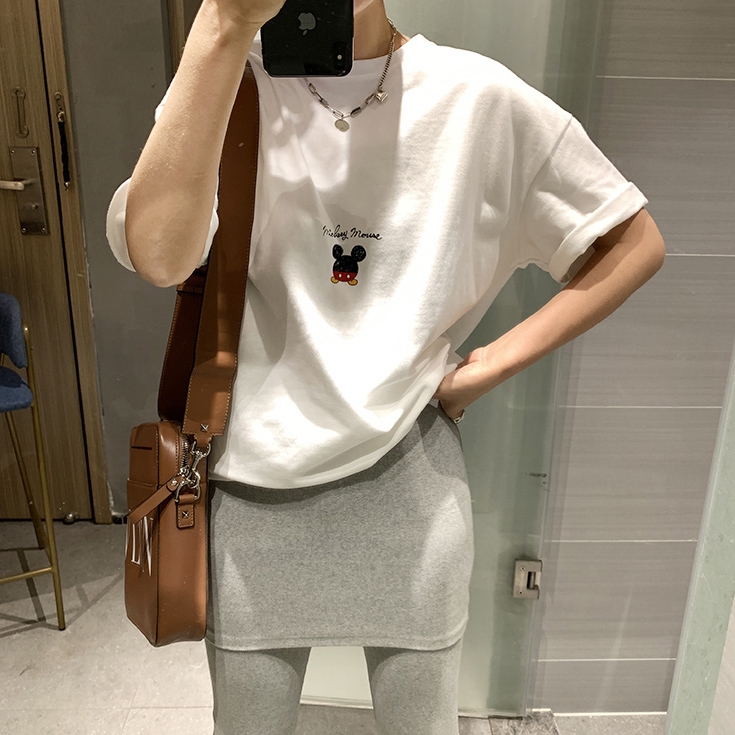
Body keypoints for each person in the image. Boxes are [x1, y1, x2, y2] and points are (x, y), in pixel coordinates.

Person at [106, 0, 666, 733]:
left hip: (411, 494)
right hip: (252, 499)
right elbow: (158, 256)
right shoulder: (230, 81)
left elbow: (631, 241)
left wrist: (487, 367)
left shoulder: (476, 99)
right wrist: (222, 25)